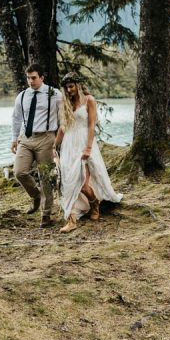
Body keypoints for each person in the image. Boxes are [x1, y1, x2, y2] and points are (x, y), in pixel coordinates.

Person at [53, 72, 122, 233]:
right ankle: (71, 219)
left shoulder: (89, 100)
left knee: (83, 184)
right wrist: (54, 145)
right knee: (68, 180)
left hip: (84, 142)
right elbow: (63, 128)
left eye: (71, 86)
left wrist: (89, 148)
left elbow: (91, 126)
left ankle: (94, 203)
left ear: (78, 84)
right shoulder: (66, 103)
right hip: (69, 144)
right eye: (66, 88)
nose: (69, 90)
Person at [11, 63, 62, 228]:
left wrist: (59, 141)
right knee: (19, 171)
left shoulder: (55, 94)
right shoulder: (23, 95)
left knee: (46, 177)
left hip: (46, 138)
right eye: (28, 78)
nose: (30, 81)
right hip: (25, 139)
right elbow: (17, 118)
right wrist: (14, 138)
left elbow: (63, 118)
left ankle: (46, 215)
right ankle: (35, 196)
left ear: (42, 77)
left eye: (34, 78)